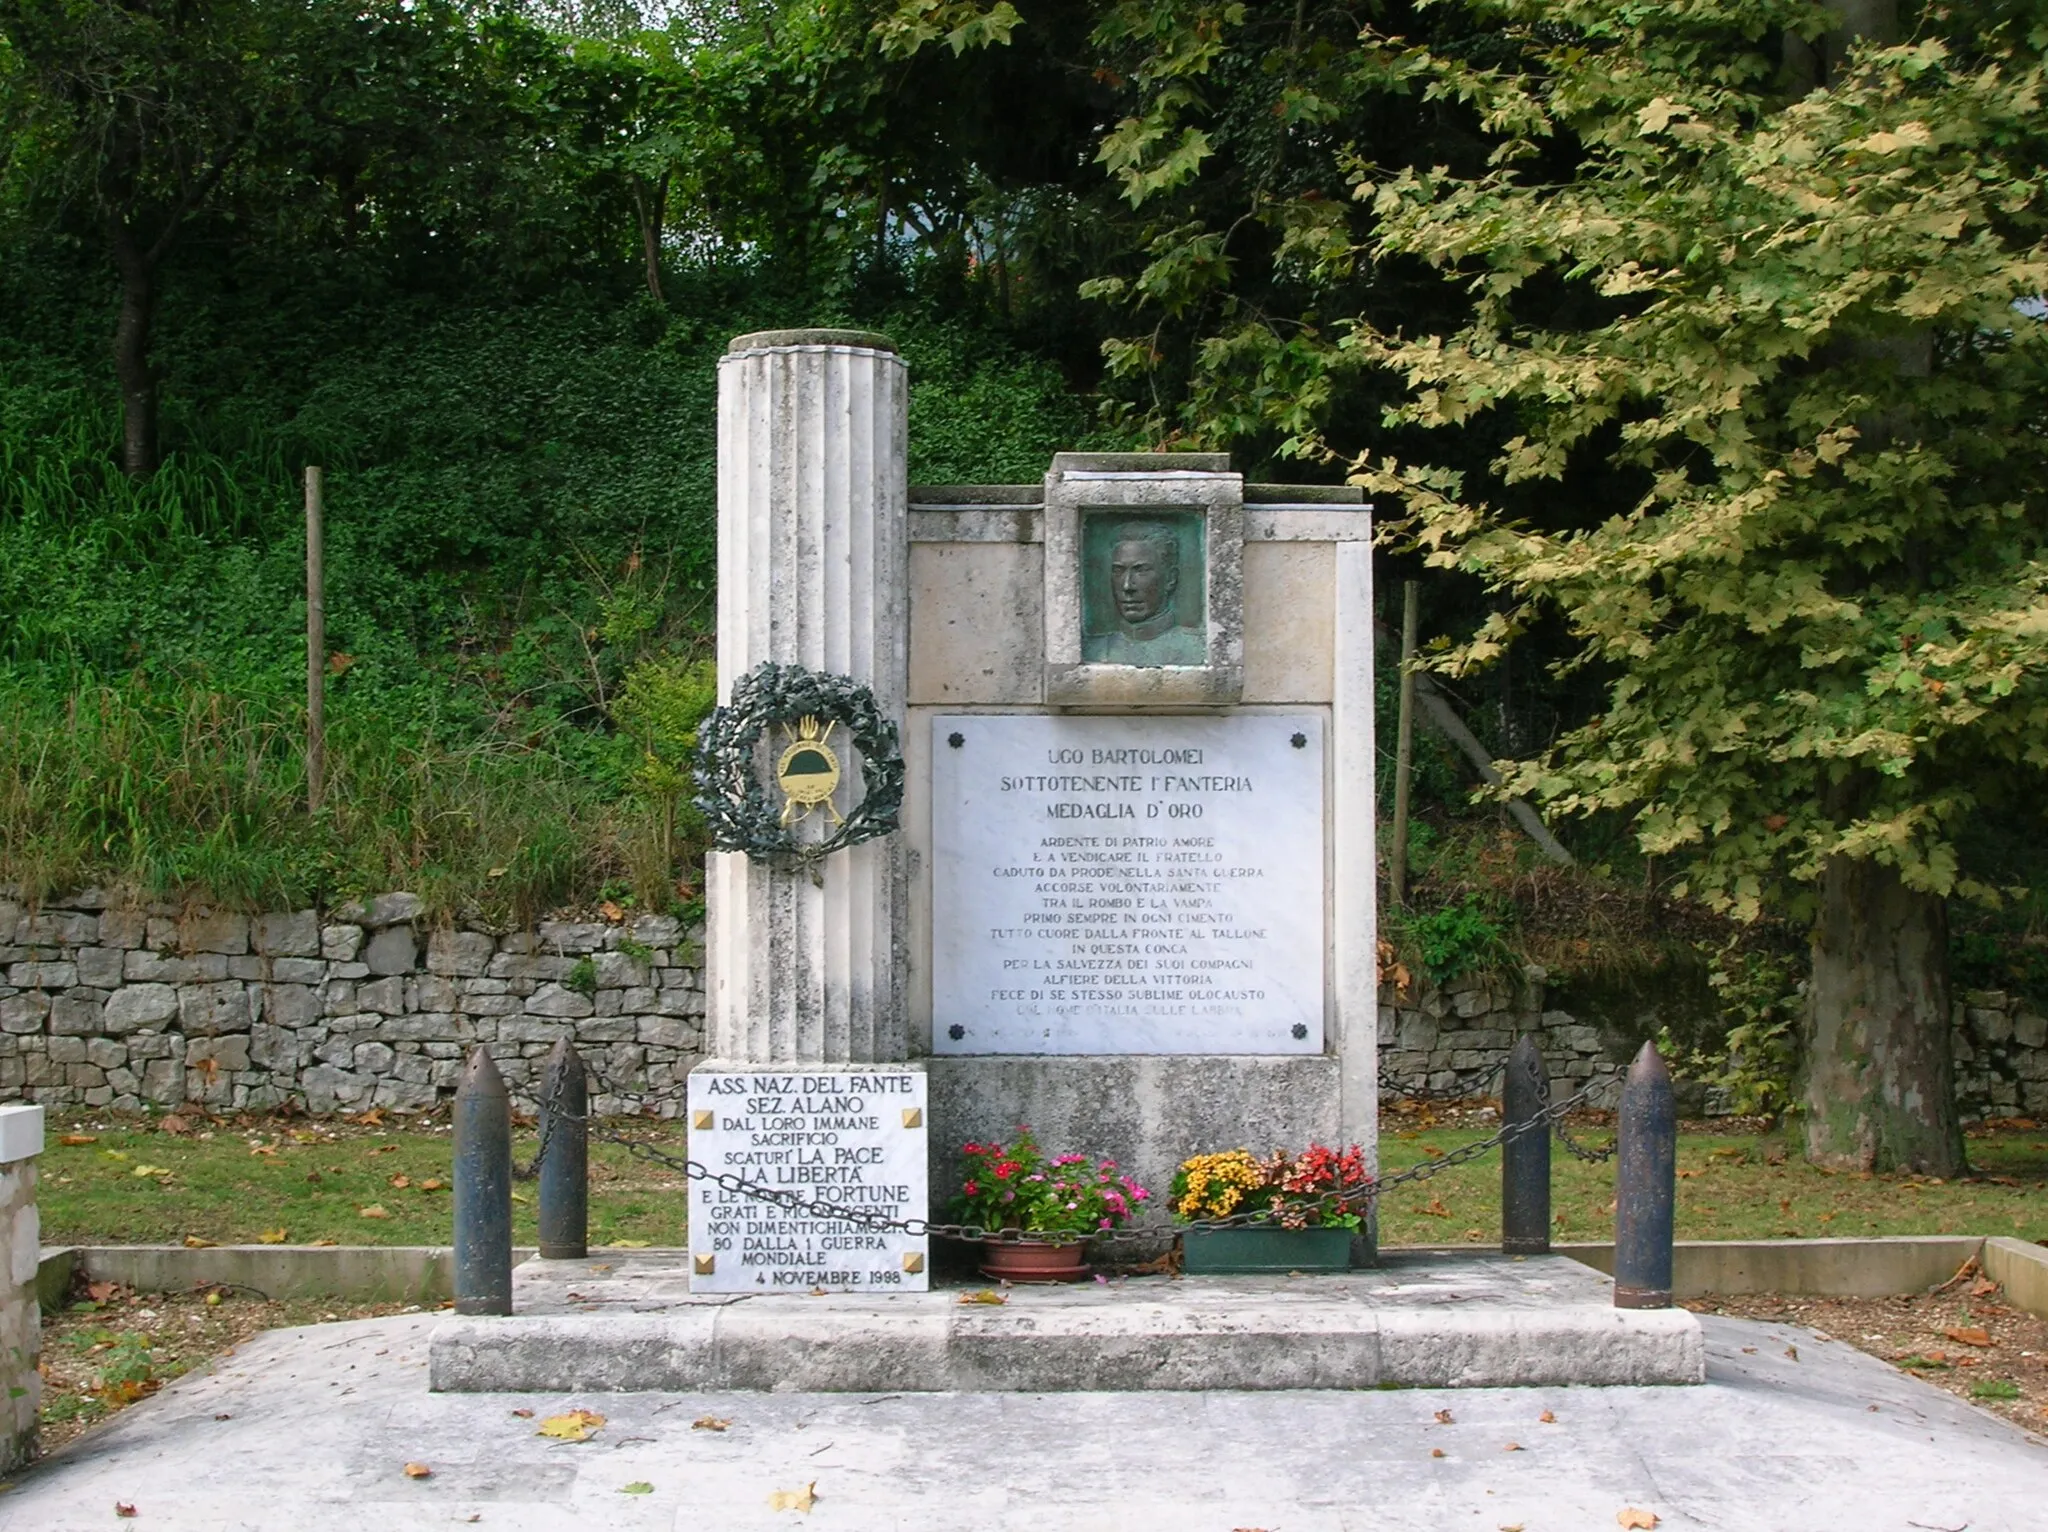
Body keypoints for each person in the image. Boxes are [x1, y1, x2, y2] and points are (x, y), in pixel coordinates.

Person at [1085, 521, 1206, 666]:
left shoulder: (1199, 650)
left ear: (1171, 578)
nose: (1127, 586)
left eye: (1141, 570)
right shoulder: (1093, 651)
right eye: (1118, 571)